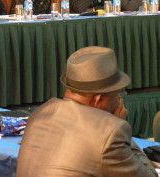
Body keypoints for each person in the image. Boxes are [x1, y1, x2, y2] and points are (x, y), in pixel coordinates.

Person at [16, 46, 157, 177]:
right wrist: (121, 128)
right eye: (118, 93)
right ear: (99, 99)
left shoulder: (41, 112)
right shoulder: (110, 131)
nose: (120, 99)